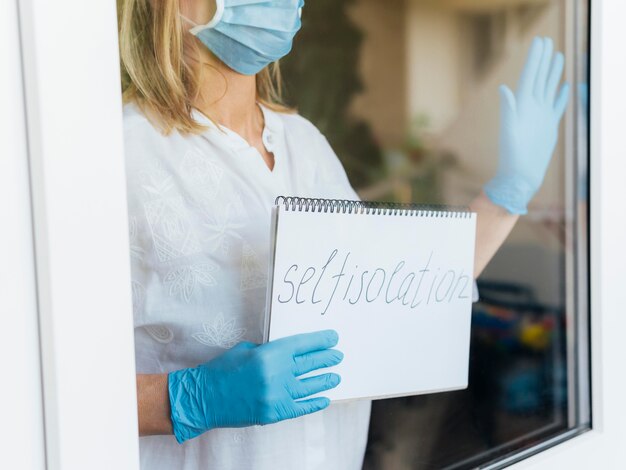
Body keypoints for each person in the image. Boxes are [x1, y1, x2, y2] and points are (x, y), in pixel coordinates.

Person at [119, 0, 570, 468]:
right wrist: (191, 398)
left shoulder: (305, 144)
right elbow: (57, 388)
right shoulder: (122, 156)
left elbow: (399, 296)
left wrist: (507, 195)